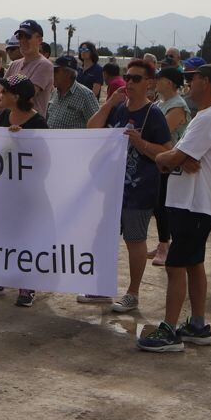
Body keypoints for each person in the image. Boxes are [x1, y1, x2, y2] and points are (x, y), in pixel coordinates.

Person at [138, 65, 211, 352]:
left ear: (206, 82)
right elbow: (180, 158)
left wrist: (167, 157)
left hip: (193, 204)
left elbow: (174, 157)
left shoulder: (209, 118)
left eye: (193, 79)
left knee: (176, 265)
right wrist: (174, 158)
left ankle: (169, 329)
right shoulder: (206, 117)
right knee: (193, 263)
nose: (189, 84)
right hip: (192, 203)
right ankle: (197, 325)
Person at [84, 60, 172, 313]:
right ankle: (102, 287)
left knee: (135, 241)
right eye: (127, 77)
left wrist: (141, 143)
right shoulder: (118, 108)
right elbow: (92, 129)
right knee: (104, 237)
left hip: (139, 190)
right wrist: (109, 103)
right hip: (111, 189)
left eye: (136, 78)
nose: (129, 82)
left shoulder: (153, 114)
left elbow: (167, 152)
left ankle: (133, 293)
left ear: (149, 83)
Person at [0, 78, 48, 307]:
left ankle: (27, 285)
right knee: (0, 235)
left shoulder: (38, 123)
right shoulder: (4, 118)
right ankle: (1, 278)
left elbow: (44, 161)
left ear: (16, 97)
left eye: (4, 91)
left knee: (24, 236)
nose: (0, 95)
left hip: (26, 194)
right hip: (0, 190)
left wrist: (22, 143)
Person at [148, 66, 191, 265]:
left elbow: (161, 131)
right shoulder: (160, 103)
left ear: (171, 83)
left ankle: (165, 246)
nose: (156, 80)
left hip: (169, 163)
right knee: (157, 205)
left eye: (160, 77)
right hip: (157, 161)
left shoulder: (177, 106)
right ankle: (162, 242)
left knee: (163, 205)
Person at [5, 20, 54, 116]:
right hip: (11, 124)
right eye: (20, 36)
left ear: (39, 40)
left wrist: (4, 100)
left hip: (31, 128)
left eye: (27, 36)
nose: (23, 40)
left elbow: (23, 99)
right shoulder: (14, 64)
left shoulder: (45, 65)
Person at [47, 55, 100, 131]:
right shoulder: (54, 92)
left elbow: (97, 125)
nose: (52, 74)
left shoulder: (86, 95)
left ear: (68, 74)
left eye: (55, 71)